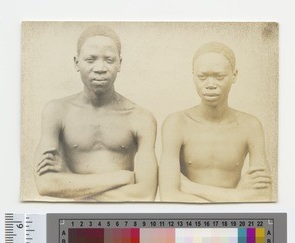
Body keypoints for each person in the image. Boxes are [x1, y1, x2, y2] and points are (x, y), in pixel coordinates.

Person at [34, 26, 158, 202]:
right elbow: (45, 185)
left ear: (119, 63)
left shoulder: (141, 118)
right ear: (77, 63)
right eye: (90, 59)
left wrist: (68, 180)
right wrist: (122, 177)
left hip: (122, 219)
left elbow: (145, 195)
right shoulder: (56, 111)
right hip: (75, 219)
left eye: (109, 60)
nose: (100, 68)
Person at [159, 42, 272, 203]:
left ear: (234, 75)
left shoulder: (251, 126)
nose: (210, 85)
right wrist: (238, 196)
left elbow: (263, 197)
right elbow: (169, 197)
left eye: (219, 77)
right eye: (202, 77)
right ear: (193, 76)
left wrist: (192, 187)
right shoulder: (176, 123)